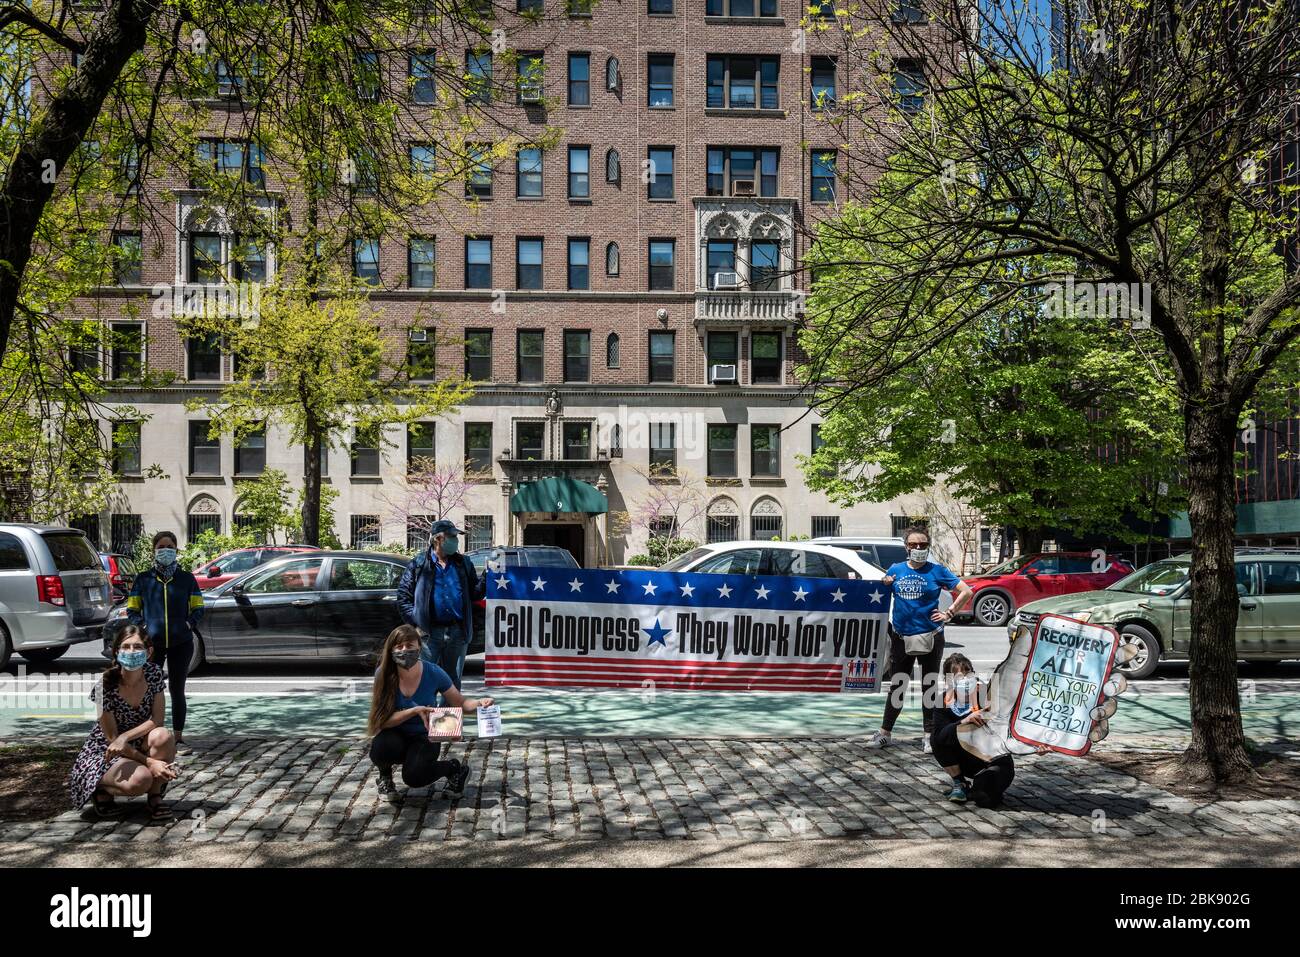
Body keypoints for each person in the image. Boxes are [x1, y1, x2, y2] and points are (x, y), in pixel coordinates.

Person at [866, 525, 973, 753]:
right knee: (898, 686)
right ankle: (885, 733)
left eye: (923, 545)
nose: (918, 548)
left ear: (928, 547)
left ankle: (928, 736)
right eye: (913, 545)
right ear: (906, 547)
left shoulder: (937, 570)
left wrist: (949, 613)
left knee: (929, 687)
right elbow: (880, 591)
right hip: (901, 638)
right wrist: (885, 583)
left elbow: (966, 591)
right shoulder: (896, 569)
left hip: (931, 637)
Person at [367, 624, 495, 803]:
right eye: (399, 646)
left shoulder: (433, 672)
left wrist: (480, 704)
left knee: (414, 778)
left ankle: (454, 769)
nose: (405, 650)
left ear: (419, 647)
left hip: (424, 736)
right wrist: (414, 711)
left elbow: (462, 703)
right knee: (381, 750)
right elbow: (381, 722)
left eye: (410, 646)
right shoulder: (383, 674)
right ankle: (385, 777)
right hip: (394, 733)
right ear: (391, 650)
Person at [66, 625, 179, 820]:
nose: (132, 652)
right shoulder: (105, 686)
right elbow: (112, 739)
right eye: (126, 647)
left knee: (163, 736)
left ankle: (155, 797)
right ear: (117, 651)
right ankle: (100, 790)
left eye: (137, 647)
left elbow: (157, 719)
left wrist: (126, 736)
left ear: (149, 651)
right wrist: (150, 762)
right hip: (106, 751)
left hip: (134, 740)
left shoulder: (154, 673)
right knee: (141, 779)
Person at [930, 651, 1048, 806]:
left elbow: (1015, 724)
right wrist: (965, 721)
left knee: (984, 799)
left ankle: (980, 787)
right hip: (967, 759)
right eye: (958, 676)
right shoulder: (943, 700)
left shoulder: (988, 695)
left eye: (968, 673)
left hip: (995, 761)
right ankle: (960, 783)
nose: (964, 679)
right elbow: (940, 737)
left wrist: (1034, 746)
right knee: (936, 737)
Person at [126, 531, 204, 747]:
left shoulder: (187, 578)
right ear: (154, 550)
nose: (165, 550)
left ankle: (178, 737)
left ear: (176, 550)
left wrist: (188, 624)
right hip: (153, 646)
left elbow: (198, 607)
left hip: (182, 644)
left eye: (169, 546)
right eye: (160, 547)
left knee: (177, 690)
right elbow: (132, 609)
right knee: (150, 689)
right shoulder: (143, 579)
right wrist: (144, 628)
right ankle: (150, 736)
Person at [395, 518, 484, 689]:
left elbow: (475, 593)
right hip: (429, 633)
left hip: (457, 632)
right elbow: (403, 597)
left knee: (452, 683)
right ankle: (425, 714)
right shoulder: (419, 564)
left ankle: (448, 716)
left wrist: (488, 577)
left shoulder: (463, 563)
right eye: (451, 536)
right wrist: (416, 624)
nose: (455, 541)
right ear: (437, 539)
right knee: (423, 680)